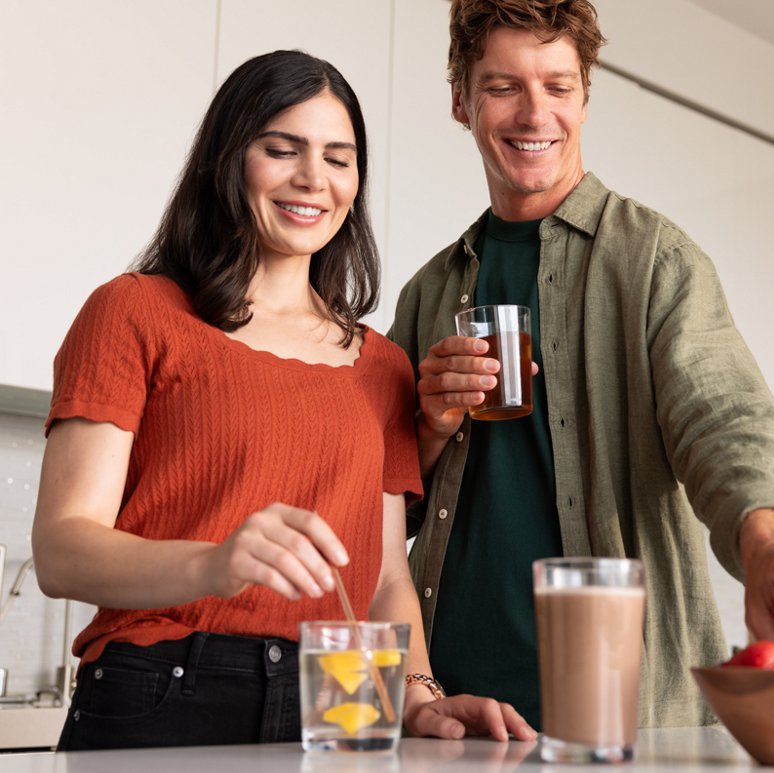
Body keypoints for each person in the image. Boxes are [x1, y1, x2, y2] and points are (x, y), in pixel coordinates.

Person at [31, 49, 534, 751]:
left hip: (343, 695)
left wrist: (419, 697)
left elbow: (385, 578)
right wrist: (214, 564)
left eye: (338, 158)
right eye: (281, 149)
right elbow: (61, 550)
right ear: (226, 160)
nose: (313, 178)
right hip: (166, 686)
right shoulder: (134, 312)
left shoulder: (382, 365)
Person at [388, 0, 774, 729]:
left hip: (626, 714)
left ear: (584, 97)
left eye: (557, 86)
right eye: (503, 86)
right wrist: (426, 429)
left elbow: (721, 418)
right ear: (461, 100)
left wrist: (772, 537)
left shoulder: (655, 260)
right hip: (453, 713)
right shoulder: (427, 293)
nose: (535, 113)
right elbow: (380, 513)